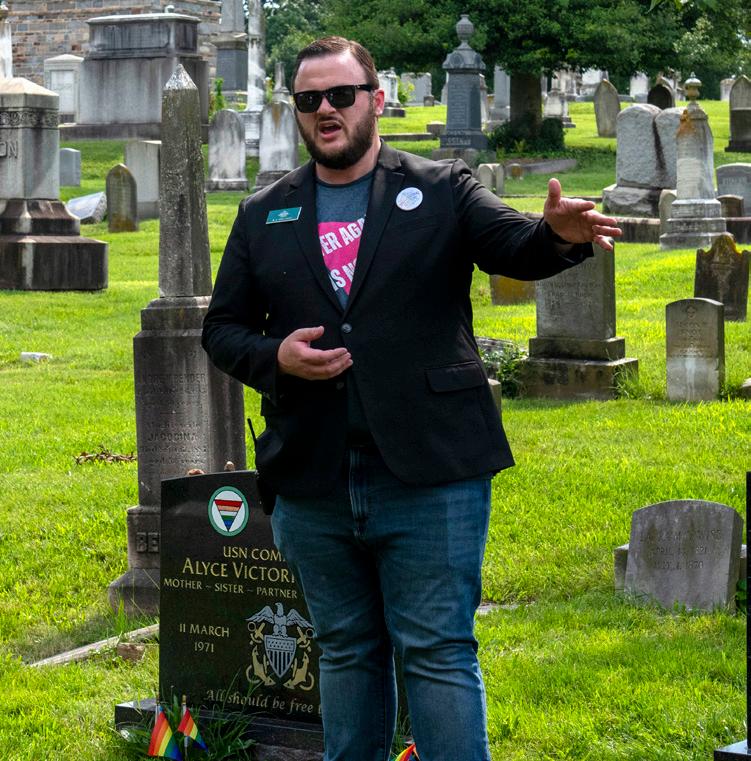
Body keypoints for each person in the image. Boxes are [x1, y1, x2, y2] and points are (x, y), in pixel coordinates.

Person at [202, 36, 621, 761]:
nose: (325, 110)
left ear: (374, 99)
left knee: (436, 650)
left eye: (340, 95)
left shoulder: (440, 187)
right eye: (309, 100)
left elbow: (514, 245)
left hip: (430, 469)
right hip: (313, 474)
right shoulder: (264, 211)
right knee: (343, 648)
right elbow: (222, 329)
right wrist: (276, 358)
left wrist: (555, 236)